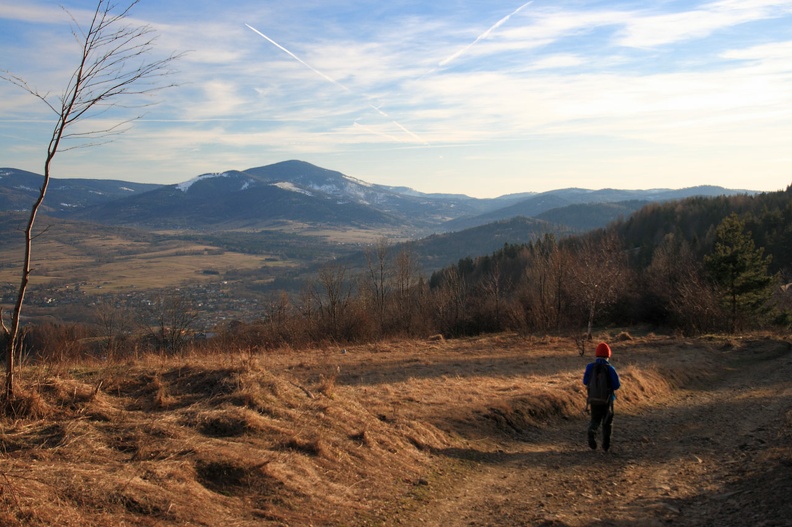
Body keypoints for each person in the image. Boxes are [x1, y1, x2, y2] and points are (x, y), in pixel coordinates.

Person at [583, 342, 621, 451]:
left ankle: (592, 431)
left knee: (595, 419)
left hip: (593, 399)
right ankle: (606, 445)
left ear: (596, 354)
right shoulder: (610, 368)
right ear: (608, 355)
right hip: (607, 400)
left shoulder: (590, 367)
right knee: (607, 422)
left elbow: (585, 381)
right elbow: (616, 385)